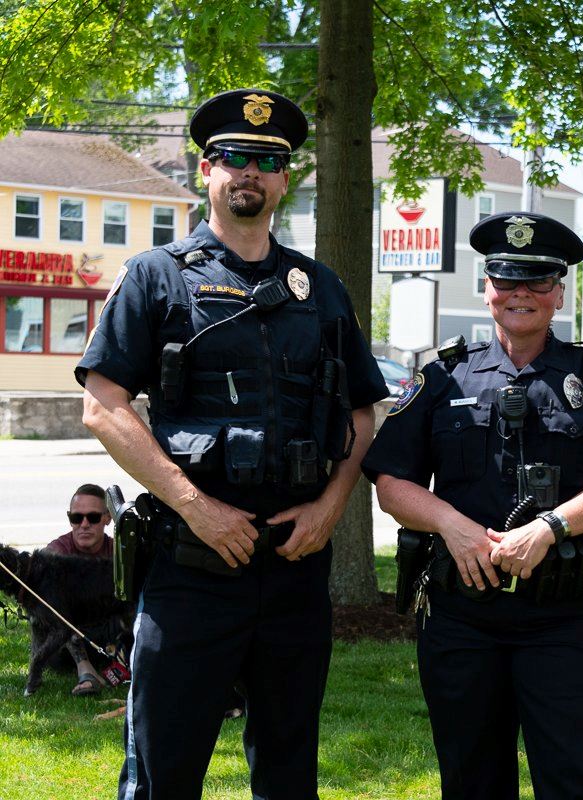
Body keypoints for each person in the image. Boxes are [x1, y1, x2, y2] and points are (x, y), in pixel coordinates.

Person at [77, 88, 388, 799]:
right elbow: (104, 407)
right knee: (164, 767)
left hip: (293, 565)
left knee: (288, 770)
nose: (249, 173)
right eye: (233, 158)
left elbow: (365, 411)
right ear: (205, 170)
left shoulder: (321, 289)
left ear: (285, 178)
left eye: (267, 161)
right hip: (192, 568)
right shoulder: (158, 276)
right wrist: (195, 507)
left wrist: (332, 509)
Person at [363, 212, 583, 800]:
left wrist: (552, 527)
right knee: (470, 779)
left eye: (536, 280)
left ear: (558, 292)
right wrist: (450, 524)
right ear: (487, 289)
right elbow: (391, 481)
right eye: (506, 279)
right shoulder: (443, 376)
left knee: (575, 779)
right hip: (462, 617)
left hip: (567, 615)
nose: (519, 293)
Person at [42, 483, 120, 696]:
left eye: (93, 518)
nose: (84, 524)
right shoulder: (56, 552)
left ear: (107, 518)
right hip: (63, 649)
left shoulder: (118, 554)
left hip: (107, 642)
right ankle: (85, 671)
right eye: (77, 518)